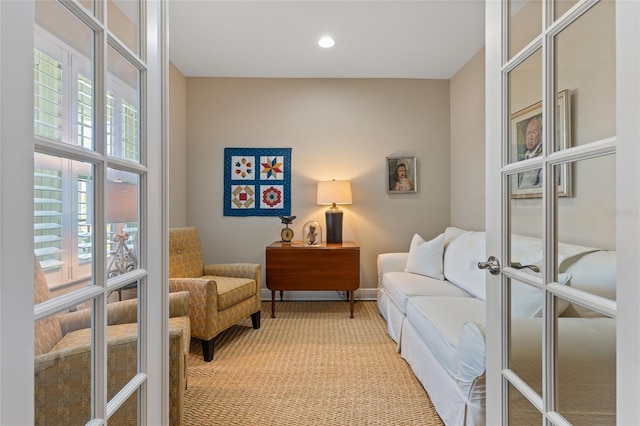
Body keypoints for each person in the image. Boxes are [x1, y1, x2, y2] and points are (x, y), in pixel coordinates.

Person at [518, 117, 543, 189]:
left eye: (534, 132)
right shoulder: (523, 160)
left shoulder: (543, 157)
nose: (530, 137)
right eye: (528, 133)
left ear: (541, 135)